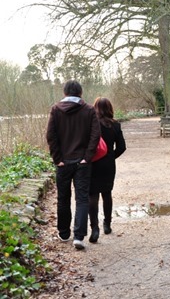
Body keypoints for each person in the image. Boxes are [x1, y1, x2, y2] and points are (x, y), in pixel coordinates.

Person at [46, 80, 101, 250]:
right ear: (80, 92)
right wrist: (87, 157)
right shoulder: (89, 110)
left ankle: (63, 233)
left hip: (63, 163)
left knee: (63, 198)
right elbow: (95, 135)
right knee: (82, 198)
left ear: (64, 92)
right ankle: (78, 236)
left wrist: (58, 159)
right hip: (82, 163)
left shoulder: (56, 110)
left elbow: (50, 136)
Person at [89, 97, 127, 243]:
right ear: (110, 108)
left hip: (93, 163)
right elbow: (122, 147)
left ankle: (94, 228)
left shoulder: (92, 125)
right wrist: (111, 156)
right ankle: (107, 224)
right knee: (107, 194)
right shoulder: (115, 125)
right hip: (108, 164)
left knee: (92, 195)